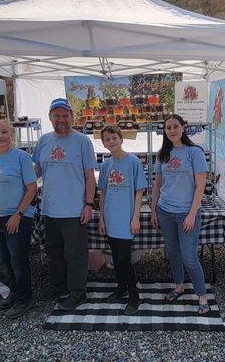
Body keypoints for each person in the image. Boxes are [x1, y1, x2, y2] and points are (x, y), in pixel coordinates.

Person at [32, 98, 96, 311]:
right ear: (50, 117)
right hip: (49, 208)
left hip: (74, 210)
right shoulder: (43, 141)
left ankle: (78, 292)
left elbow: (90, 177)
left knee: (75, 254)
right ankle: (59, 288)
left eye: (65, 115)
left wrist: (88, 204)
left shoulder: (82, 142)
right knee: (54, 252)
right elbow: (37, 171)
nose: (61, 120)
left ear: (72, 117)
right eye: (56, 115)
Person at [150, 114, 210, 315]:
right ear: (164, 131)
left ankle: (202, 295)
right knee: (173, 253)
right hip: (165, 210)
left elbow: (201, 185)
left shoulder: (195, 152)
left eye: (175, 126)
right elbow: (157, 183)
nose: (172, 130)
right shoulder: (162, 154)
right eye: (168, 128)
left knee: (189, 257)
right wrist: (153, 210)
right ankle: (179, 286)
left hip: (187, 213)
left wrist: (192, 214)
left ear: (184, 128)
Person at [0, 119, 38, 319]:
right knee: (5, 260)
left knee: (18, 260)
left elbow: (32, 188)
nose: (1, 136)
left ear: (11, 135)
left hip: (18, 217)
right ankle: (14, 292)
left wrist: (19, 214)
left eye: (5, 132)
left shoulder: (21, 157)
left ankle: (24, 299)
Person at [98, 126, 147, 315]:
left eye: (114, 138)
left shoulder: (133, 162)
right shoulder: (105, 165)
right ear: (103, 143)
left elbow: (139, 191)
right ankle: (121, 288)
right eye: (107, 139)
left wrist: (135, 217)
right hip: (110, 218)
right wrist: (101, 218)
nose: (111, 142)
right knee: (115, 260)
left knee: (124, 260)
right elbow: (103, 193)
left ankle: (134, 297)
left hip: (126, 219)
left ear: (121, 139)